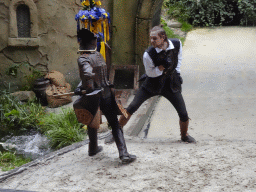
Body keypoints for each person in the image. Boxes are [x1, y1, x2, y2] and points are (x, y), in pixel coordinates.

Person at [117, 25, 196, 143]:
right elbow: (150, 73)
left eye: (155, 38)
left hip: (171, 84)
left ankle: (184, 135)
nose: (152, 41)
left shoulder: (177, 43)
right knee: (132, 107)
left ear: (163, 37)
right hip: (151, 84)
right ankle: (116, 130)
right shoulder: (148, 54)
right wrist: (161, 67)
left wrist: (177, 72)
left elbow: (178, 58)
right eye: (151, 38)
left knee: (183, 113)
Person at [73, 28, 136, 164]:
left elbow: (88, 75)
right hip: (106, 92)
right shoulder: (98, 56)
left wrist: (84, 87)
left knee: (92, 119)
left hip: (94, 95)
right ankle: (117, 152)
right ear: (93, 43)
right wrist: (80, 87)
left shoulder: (83, 59)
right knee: (111, 122)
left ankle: (95, 148)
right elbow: (89, 77)